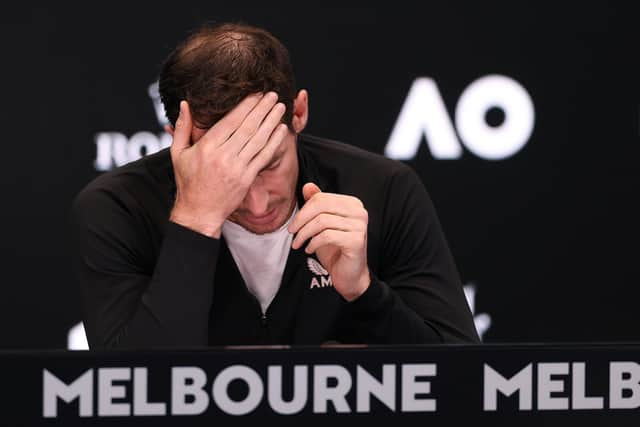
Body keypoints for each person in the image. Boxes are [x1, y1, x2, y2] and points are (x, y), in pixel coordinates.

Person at [70, 21, 479, 349]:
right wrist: (195, 220)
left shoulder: (382, 189)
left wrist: (364, 292)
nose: (256, 201)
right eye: (225, 173)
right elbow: (124, 393)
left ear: (298, 112)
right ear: (177, 135)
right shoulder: (117, 207)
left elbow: (463, 384)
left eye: (268, 163)